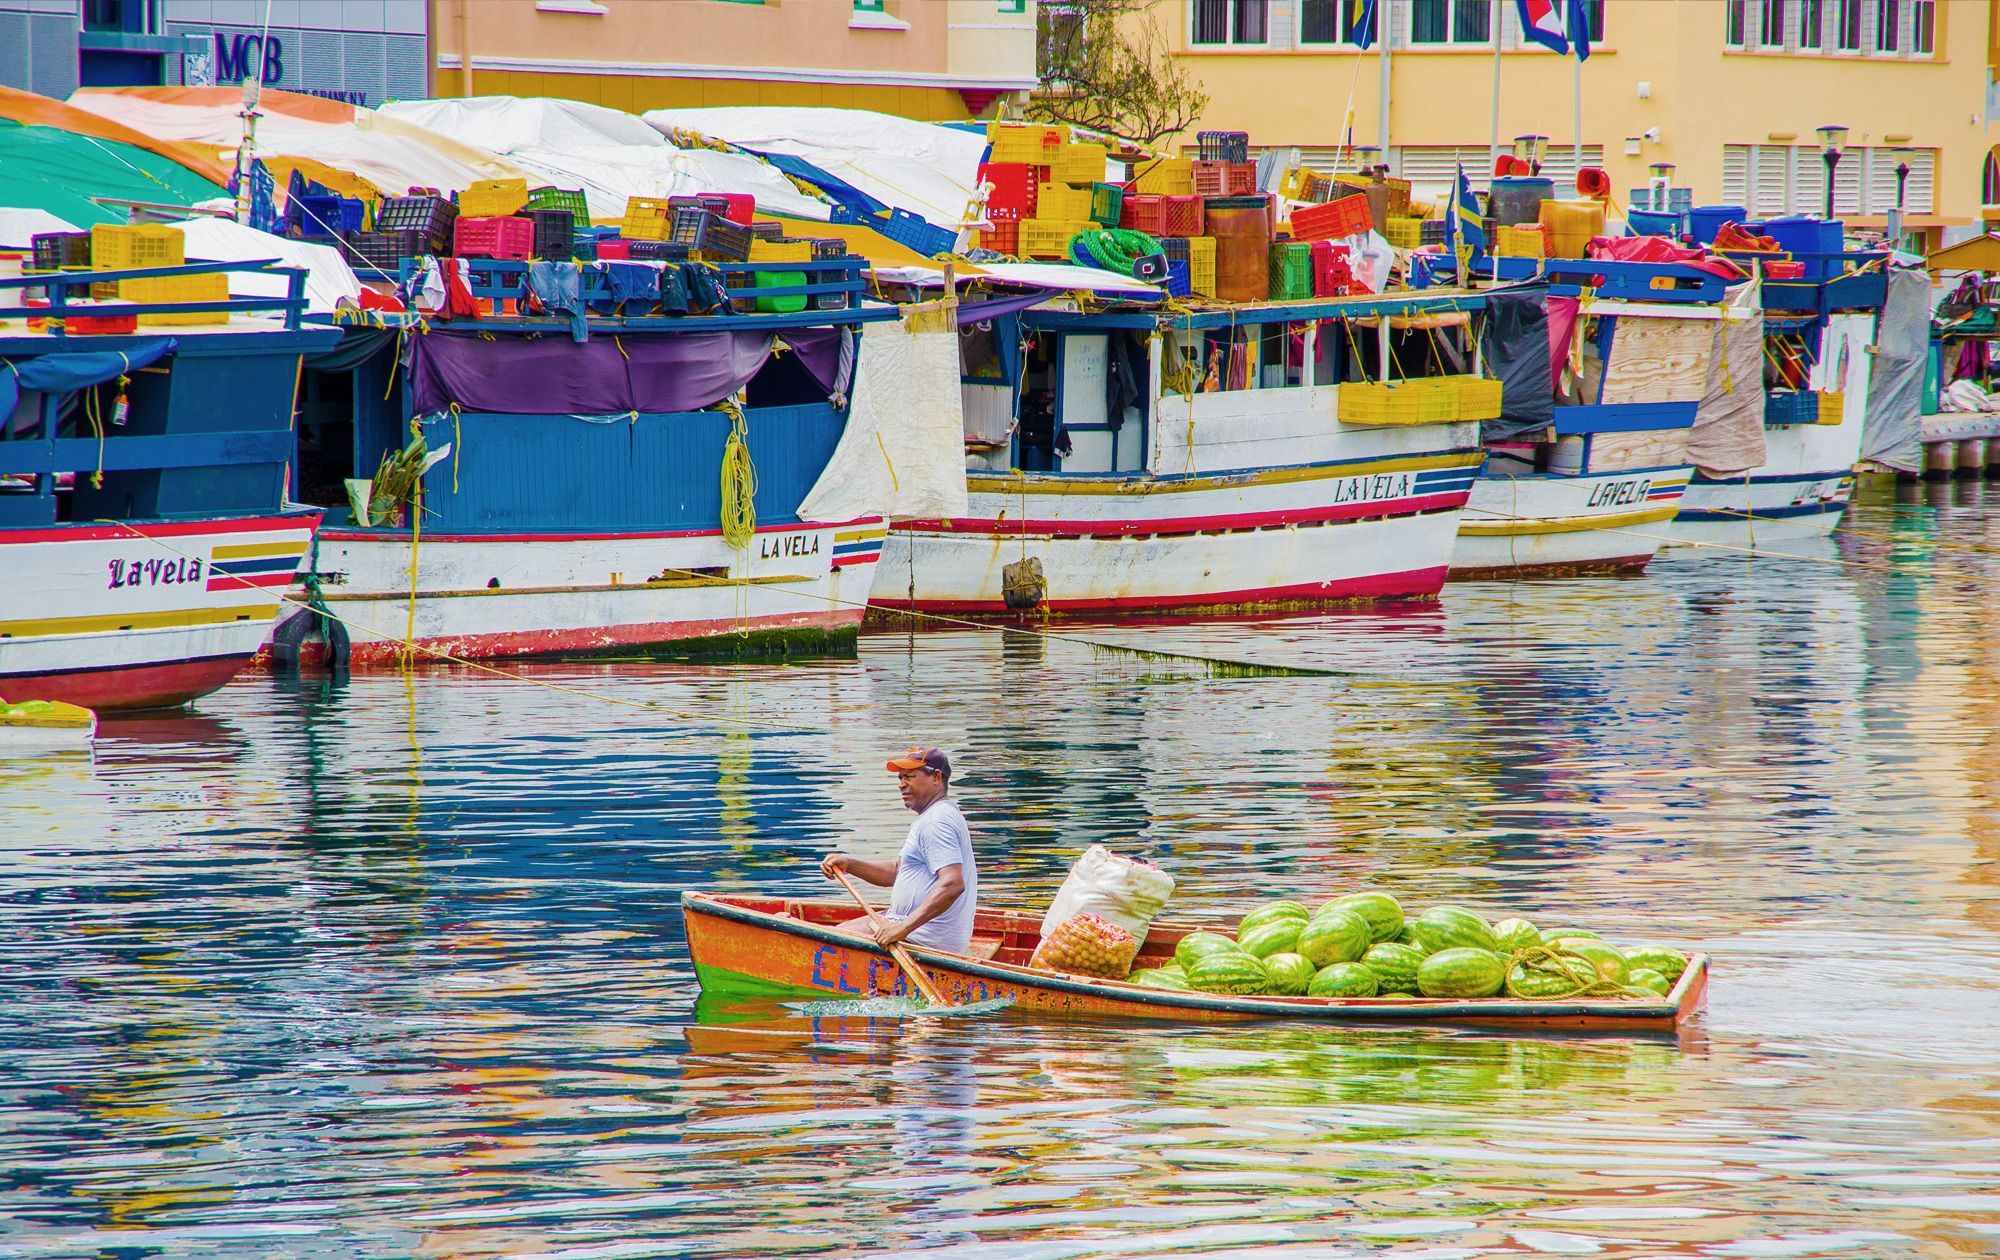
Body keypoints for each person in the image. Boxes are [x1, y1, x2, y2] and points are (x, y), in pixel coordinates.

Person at [819, 747, 978, 954]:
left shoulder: (936, 821)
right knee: (833, 932)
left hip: (921, 939)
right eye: (900, 777)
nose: (901, 784)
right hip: (909, 928)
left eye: (909, 777)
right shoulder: (936, 815)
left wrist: (902, 929)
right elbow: (896, 871)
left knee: (826, 941)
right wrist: (850, 865)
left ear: (936, 777)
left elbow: (952, 883)